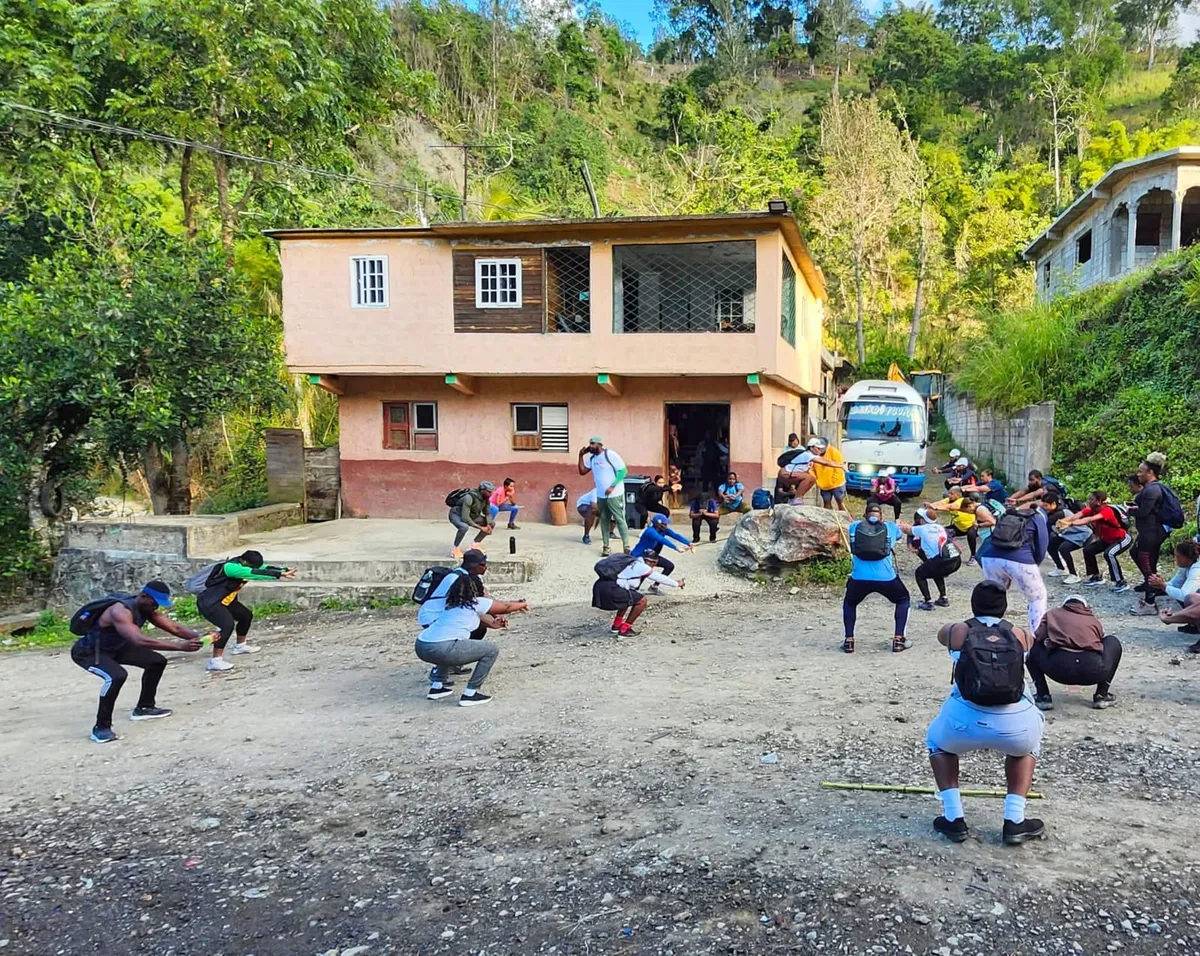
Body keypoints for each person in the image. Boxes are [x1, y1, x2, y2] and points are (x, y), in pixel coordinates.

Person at [926, 581, 1045, 846]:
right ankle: (1015, 820)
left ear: (973, 604)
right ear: (1004, 607)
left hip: (964, 719)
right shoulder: (1021, 634)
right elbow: (1033, 644)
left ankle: (953, 817)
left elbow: (940, 634)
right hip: (1015, 723)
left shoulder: (959, 631)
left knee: (936, 742)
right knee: (1026, 748)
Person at [69, 582, 207, 743]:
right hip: (90, 652)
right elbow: (138, 640)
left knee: (156, 662)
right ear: (143, 596)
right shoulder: (119, 611)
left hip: (117, 647)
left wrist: (199, 637)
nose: (156, 606)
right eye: (154, 602)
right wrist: (180, 647)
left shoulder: (147, 608)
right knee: (116, 676)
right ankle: (101, 728)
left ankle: (144, 708)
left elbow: (175, 628)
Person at [416, 571, 528, 706]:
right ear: (477, 589)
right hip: (441, 647)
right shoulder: (476, 602)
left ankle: (437, 687)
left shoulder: (452, 604)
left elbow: (476, 617)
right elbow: (506, 607)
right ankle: (470, 693)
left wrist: (493, 624)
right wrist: (522, 604)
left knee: (450, 645)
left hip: (422, 645)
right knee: (491, 650)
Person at [196, 550, 295, 672]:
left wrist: (283, 570)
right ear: (244, 561)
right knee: (227, 626)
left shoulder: (246, 563)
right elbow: (253, 573)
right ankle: (215, 661)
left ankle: (240, 646)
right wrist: (278, 575)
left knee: (246, 616)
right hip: (210, 603)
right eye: (251, 565)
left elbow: (263, 568)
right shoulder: (231, 567)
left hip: (226, 601)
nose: (254, 567)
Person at [1026, 595, 1121, 711]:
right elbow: (1100, 640)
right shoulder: (1092, 620)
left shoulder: (1052, 614)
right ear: (1085, 607)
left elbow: (1039, 636)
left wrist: (1051, 641)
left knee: (1033, 645)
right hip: (1092, 671)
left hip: (1058, 670)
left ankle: (1043, 695)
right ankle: (1102, 695)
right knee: (1112, 641)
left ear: (1064, 605)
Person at [842, 501, 913, 654]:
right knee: (903, 599)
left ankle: (849, 640)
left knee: (850, 603)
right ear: (881, 516)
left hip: (859, 578)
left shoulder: (855, 526)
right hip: (886, 578)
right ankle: (899, 639)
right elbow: (899, 536)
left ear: (864, 515)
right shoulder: (890, 527)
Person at [977, 500, 1050, 631]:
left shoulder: (1007, 515)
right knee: (1037, 598)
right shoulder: (1038, 517)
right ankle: (1037, 637)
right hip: (1020, 560)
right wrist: (1033, 564)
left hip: (990, 558)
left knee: (994, 595)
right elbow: (1042, 547)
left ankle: (988, 632)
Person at [1053, 491, 1133, 592]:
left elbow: (1089, 519)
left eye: (1091, 499)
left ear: (1099, 501)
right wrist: (1064, 521)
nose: (1088, 501)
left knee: (1109, 554)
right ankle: (1096, 576)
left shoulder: (1106, 511)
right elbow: (1077, 515)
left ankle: (1121, 582)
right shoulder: (1091, 509)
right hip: (1107, 539)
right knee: (1088, 550)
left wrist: (1070, 524)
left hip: (1122, 538)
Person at [591, 552, 683, 637]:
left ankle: (617, 625)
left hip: (601, 586)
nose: (653, 567)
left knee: (630, 596)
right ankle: (625, 629)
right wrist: (677, 584)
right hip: (611, 589)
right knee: (642, 601)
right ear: (650, 562)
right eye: (654, 564)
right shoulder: (642, 567)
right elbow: (659, 578)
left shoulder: (632, 561)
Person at [1129, 455, 1170, 602]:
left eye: (1141, 472)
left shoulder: (1153, 490)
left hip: (1152, 532)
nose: (1138, 475)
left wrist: (1129, 511)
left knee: (1147, 561)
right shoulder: (1150, 488)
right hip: (1148, 531)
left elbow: (1144, 512)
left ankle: (1150, 597)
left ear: (1150, 472)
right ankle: (1151, 584)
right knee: (1136, 553)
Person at [579, 436, 629, 557]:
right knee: (604, 520)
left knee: (619, 519)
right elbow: (582, 471)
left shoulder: (610, 455)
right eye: (589, 444)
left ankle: (626, 547)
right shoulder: (592, 459)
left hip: (615, 493)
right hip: (601, 495)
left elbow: (623, 471)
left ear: (600, 444)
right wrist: (580, 456)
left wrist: (612, 486)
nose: (590, 446)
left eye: (592, 444)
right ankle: (606, 546)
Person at [909, 508, 961, 611]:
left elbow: (907, 530)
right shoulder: (940, 527)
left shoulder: (922, 528)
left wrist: (898, 524)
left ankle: (928, 602)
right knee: (936, 572)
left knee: (919, 573)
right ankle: (943, 598)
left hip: (942, 560)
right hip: (955, 559)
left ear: (923, 520)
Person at [1152, 541, 1200, 647]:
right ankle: (1193, 625)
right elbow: (1175, 584)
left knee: (1190, 598)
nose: (1176, 559)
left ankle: (1195, 624)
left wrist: (1163, 586)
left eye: (1178, 557)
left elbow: (1184, 595)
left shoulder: (1197, 569)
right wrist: (1161, 584)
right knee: (1187, 596)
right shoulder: (1187, 566)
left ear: (1186, 557)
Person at [631, 513, 694, 581]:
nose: (666, 526)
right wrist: (676, 548)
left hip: (650, 556)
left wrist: (688, 543)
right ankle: (634, 588)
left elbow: (675, 535)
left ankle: (654, 586)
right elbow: (661, 539)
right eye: (664, 524)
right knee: (644, 572)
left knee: (669, 566)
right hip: (639, 556)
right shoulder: (650, 531)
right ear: (658, 525)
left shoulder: (664, 530)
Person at [925, 487, 979, 566]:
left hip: (971, 525)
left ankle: (973, 556)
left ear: (958, 495)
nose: (949, 495)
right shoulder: (949, 500)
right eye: (949, 493)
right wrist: (930, 505)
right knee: (942, 533)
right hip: (959, 527)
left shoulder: (962, 501)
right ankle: (946, 553)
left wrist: (935, 508)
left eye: (951, 494)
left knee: (971, 535)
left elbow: (950, 507)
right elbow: (940, 503)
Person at [1038, 493, 1081, 583]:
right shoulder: (1053, 511)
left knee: (1064, 548)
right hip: (1068, 534)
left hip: (1080, 534)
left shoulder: (1060, 513)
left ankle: (1074, 575)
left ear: (1053, 504)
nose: (1044, 508)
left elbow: (1044, 522)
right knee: (1051, 545)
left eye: (1046, 505)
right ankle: (1060, 568)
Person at [449, 481, 495, 559]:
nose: (491, 494)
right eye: (489, 492)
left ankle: (475, 544)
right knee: (464, 527)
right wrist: (481, 528)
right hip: (457, 515)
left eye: (491, 492)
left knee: (492, 524)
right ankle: (455, 549)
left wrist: (488, 524)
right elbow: (465, 518)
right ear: (482, 490)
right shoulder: (469, 498)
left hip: (473, 515)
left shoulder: (486, 499)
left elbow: (487, 513)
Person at [810, 438, 848, 512]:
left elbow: (838, 467)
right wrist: (816, 480)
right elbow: (811, 469)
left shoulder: (834, 452)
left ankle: (845, 518)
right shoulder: (813, 455)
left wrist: (833, 480)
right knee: (826, 502)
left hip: (837, 483)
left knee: (840, 501)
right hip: (823, 484)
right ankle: (828, 518)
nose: (819, 450)